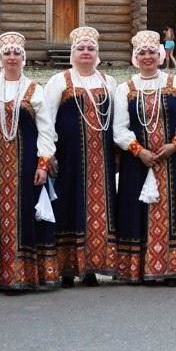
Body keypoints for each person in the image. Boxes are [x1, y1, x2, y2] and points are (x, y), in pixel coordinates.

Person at [0, 31, 60, 291]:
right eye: (7, 53)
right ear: (0, 57)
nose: (12, 57)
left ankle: (28, 275)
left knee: (29, 214)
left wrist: (43, 163)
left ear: (23, 58)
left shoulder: (34, 89)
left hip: (27, 165)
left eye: (16, 53)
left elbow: (46, 129)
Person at [114, 30, 176, 285]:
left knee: (173, 209)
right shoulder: (125, 88)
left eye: (152, 52)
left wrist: (175, 144)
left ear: (161, 55)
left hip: (171, 159)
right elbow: (119, 127)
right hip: (136, 161)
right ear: (135, 57)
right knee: (136, 210)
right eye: (142, 53)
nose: (147, 57)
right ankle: (137, 268)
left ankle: (170, 268)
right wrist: (138, 150)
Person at [43, 26, 119, 287]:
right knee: (67, 206)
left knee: (99, 210)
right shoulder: (59, 81)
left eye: (90, 48)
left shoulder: (108, 82)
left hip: (101, 159)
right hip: (69, 158)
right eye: (80, 48)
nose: (86, 52)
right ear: (72, 53)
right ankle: (66, 268)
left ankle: (91, 268)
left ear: (97, 54)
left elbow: (117, 121)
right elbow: (47, 120)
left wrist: (118, 153)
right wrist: (48, 154)